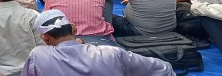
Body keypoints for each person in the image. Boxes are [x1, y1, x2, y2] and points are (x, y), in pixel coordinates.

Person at [22, 10, 175, 76]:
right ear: (74, 29)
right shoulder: (111, 53)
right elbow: (163, 69)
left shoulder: (38, 55)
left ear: (45, 38)